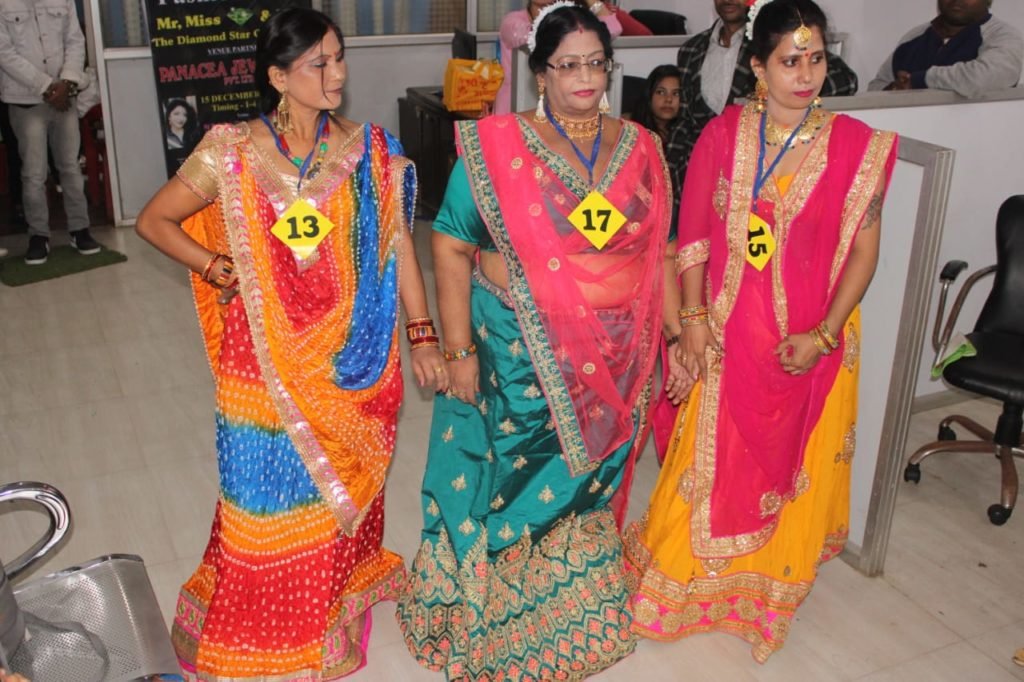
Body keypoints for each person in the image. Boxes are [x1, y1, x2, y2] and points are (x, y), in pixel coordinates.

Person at [135, 8, 446, 679]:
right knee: (259, 498)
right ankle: (262, 617)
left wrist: (422, 333)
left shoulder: (370, 149)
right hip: (260, 362)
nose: (337, 74)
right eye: (318, 64)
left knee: (327, 498)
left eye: (339, 57)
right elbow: (154, 221)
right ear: (278, 77)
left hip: (347, 357)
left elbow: (398, 246)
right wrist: (218, 268)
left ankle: (322, 608)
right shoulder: (230, 150)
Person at [396, 4, 678, 679]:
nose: (585, 77)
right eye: (568, 64)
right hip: (519, 352)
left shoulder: (640, 146)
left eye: (596, 63)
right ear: (540, 72)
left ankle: (575, 605)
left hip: (617, 354)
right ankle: (504, 614)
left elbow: (657, 248)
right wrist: (458, 351)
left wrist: (675, 332)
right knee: (515, 476)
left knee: (595, 477)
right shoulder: (498, 144)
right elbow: (451, 243)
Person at [625, 0, 898, 663]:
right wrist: (692, 324)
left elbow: (864, 252)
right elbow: (692, 238)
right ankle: (683, 583)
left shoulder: (854, 146)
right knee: (705, 467)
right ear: (757, 65)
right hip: (726, 333)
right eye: (789, 61)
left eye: (816, 59)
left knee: (791, 470)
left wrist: (824, 335)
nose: (805, 75)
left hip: (810, 340)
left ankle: (766, 594)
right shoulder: (724, 135)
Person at [665, 0, 857, 188]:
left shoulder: (770, 38)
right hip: (700, 169)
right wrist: (671, 173)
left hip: (756, 164)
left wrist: (774, 93)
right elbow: (683, 120)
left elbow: (846, 80)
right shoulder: (691, 50)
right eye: (791, 62)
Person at [0, 0, 100, 265]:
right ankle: (38, 236)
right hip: (25, 99)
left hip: (65, 97)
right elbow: (4, 53)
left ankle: (80, 229)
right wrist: (45, 86)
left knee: (70, 167)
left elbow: (75, 41)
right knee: (33, 173)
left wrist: (67, 82)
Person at [495, 0, 648, 115]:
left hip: (564, 103)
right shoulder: (512, 21)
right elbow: (541, 38)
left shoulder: (570, 19)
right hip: (516, 101)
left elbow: (613, 28)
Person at [868, 0, 1023, 98]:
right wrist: (894, 88)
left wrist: (920, 80)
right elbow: (874, 89)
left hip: (977, 138)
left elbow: (983, 78)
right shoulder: (915, 36)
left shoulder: (1002, 35)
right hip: (909, 136)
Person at [631, 64, 683, 147]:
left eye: (676, 93)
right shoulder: (631, 132)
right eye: (661, 92)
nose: (668, 99)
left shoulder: (690, 136)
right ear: (649, 95)